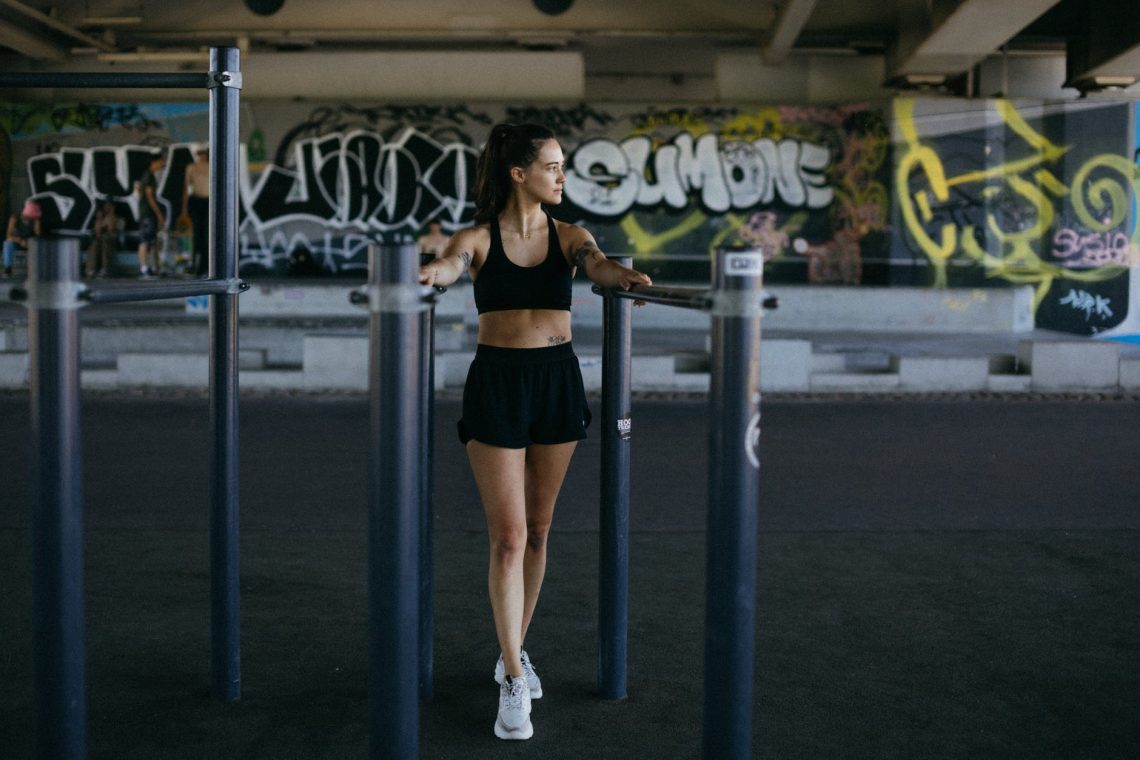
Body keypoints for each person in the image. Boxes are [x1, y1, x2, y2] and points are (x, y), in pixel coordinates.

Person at [418, 123, 651, 741]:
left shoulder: (572, 236)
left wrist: (620, 278)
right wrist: (430, 273)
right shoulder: (477, 238)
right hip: (497, 383)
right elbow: (449, 265)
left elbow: (596, 266)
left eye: (562, 165)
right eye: (552, 166)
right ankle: (515, 677)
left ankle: (511, 650)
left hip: (557, 381)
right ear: (518, 173)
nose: (562, 175)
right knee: (509, 536)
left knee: (541, 529)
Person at [136, 154, 166, 277]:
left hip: (147, 213)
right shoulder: (149, 176)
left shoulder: (148, 175)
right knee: (145, 240)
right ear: (154, 162)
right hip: (148, 213)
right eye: (161, 162)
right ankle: (144, 268)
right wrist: (159, 214)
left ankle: (155, 267)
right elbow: (149, 197)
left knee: (152, 240)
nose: (162, 164)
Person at [181, 148, 210, 276]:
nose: (201, 156)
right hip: (196, 201)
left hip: (209, 202)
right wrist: (184, 209)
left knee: (206, 236)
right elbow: (186, 189)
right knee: (194, 235)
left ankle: (204, 265)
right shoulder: (191, 168)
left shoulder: (212, 166)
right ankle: (192, 263)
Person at [3, 199, 42, 278]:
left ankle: (35, 269)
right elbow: (9, 235)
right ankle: (8, 268)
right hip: (17, 242)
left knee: (38, 245)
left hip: (30, 243)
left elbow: (38, 236)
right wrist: (20, 241)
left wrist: (29, 242)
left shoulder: (35, 221)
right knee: (7, 244)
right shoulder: (14, 218)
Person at [85, 197, 120, 278]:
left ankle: (106, 269)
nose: (107, 207)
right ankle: (91, 269)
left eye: (109, 206)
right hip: (100, 241)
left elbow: (111, 229)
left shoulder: (116, 218)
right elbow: (97, 233)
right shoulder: (101, 218)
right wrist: (99, 219)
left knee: (105, 239)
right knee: (95, 242)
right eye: (106, 205)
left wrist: (111, 213)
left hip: (112, 241)